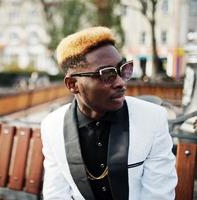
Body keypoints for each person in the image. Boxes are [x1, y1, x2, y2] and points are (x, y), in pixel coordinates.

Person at [40, 26, 177, 200]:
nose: (121, 83)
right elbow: (56, 193)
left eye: (123, 70)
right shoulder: (52, 126)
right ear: (72, 84)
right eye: (107, 74)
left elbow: (159, 194)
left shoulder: (153, 118)